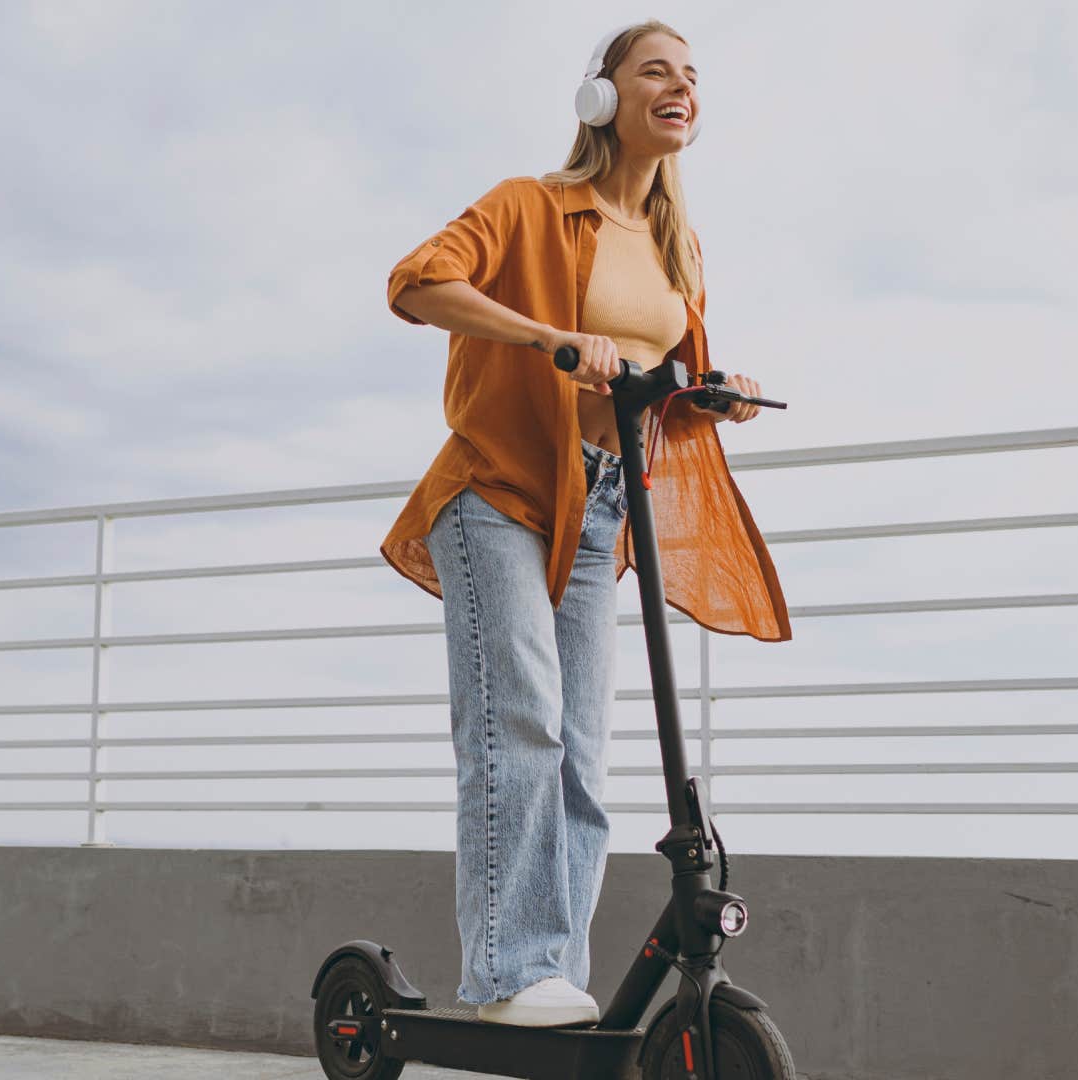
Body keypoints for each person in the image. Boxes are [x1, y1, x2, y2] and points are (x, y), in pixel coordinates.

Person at [379, 20, 793, 1028]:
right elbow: (418, 282)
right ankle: (509, 974)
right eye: (656, 70)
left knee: (581, 749)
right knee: (517, 725)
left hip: (602, 502)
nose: (681, 86)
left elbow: (659, 386)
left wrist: (713, 391)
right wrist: (551, 337)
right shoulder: (532, 206)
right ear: (601, 98)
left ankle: (552, 978)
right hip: (499, 490)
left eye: (692, 76)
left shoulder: (677, 250)